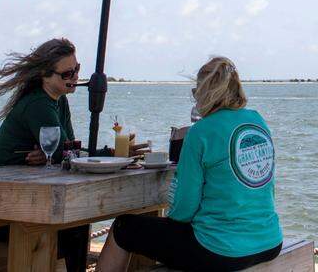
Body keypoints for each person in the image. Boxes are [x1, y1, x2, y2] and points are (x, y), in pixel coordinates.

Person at [97, 57, 283, 272]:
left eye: (196, 92)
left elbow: (184, 209)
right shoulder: (257, 120)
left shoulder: (201, 132)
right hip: (269, 241)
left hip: (220, 249)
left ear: (206, 94)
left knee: (124, 228)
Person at [0, 38, 89, 272]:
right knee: (71, 230)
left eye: (77, 70)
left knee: (75, 225)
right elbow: (71, 153)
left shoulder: (58, 101)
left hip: (17, 203)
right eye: (67, 73)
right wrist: (112, 154)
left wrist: (51, 156)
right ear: (45, 74)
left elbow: (69, 150)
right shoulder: (38, 104)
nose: (74, 77)